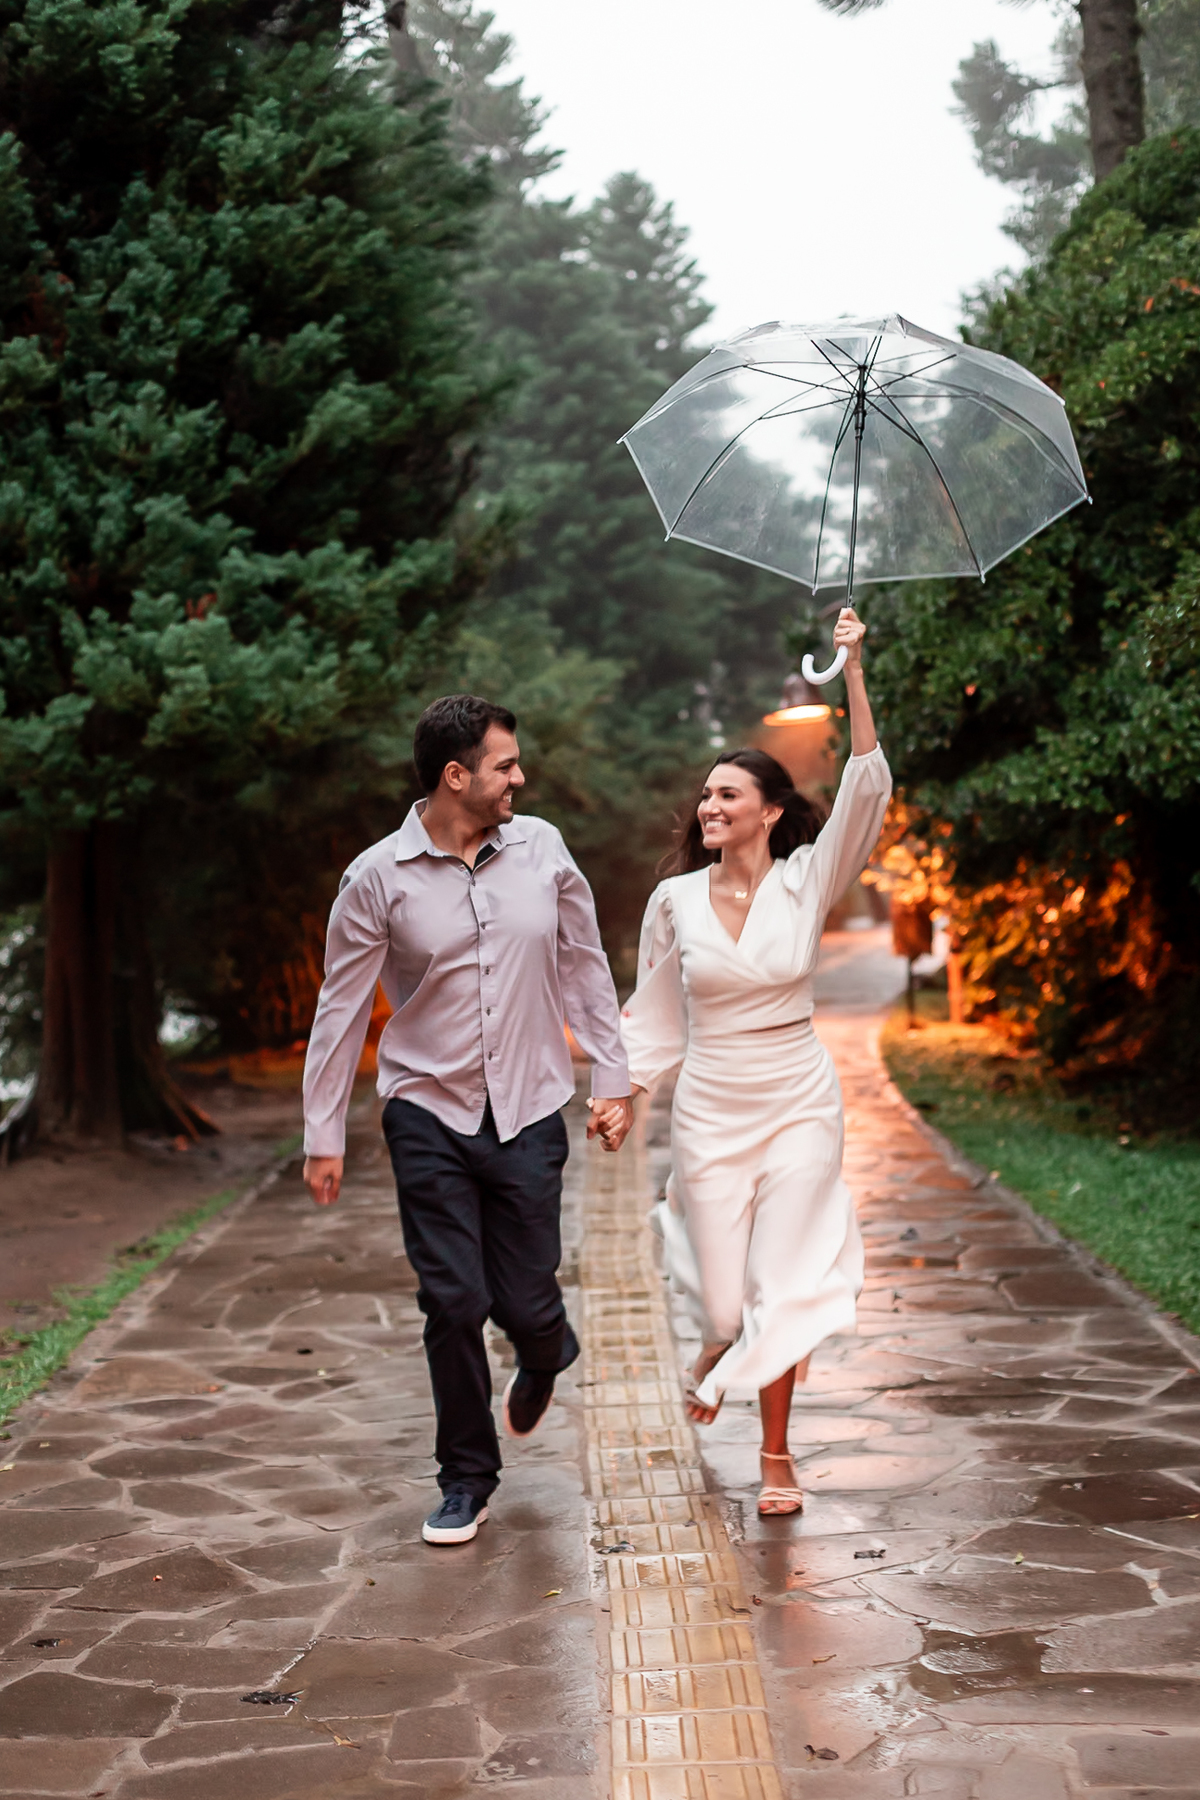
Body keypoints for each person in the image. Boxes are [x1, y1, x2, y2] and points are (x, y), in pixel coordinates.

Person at [302, 695, 633, 1546]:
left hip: (527, 1106)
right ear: (458, 777)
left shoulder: (544, 850)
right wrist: (323, 1134)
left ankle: (544, 1344)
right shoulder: (377, 877)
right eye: (506, 765)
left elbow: (585, 967)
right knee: (452, 1300)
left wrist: (612, 1078)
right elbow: (340, 1010)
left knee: (524, 1298)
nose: (520, 777)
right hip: (427, 1107)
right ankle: (465, 1479)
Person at [594, 608, 890, 1517]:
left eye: (730, 795)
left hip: (798, 1092)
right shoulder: (675, 901)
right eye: (706, 796)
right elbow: (657, 1013)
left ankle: (776, 1457)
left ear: (769, 811)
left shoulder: (808, 879)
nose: (710, 807)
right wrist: (628, 1093)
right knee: (726, 1299)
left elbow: (866, 789)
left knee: (785, 1279)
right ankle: (725, 1343)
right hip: (713, 1102)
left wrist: (853, 670)